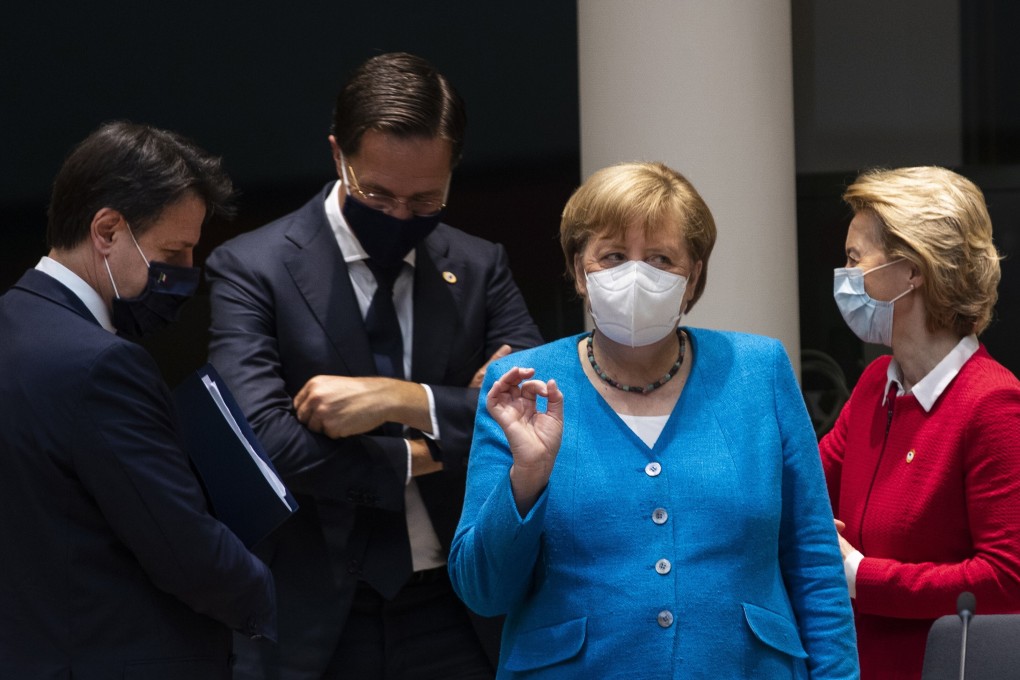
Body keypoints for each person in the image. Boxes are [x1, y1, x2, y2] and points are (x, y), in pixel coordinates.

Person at [448, 161, 859, 678]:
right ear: (579, 270)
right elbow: (483, 592)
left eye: (662, 259)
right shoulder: (523, 383)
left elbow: (815, 562)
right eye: (614, 256)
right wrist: (526, 479)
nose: (636, 275)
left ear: (693, 278)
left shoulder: (759, 371)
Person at [205, 52, 543, 679]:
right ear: (339, 154)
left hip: (459, 610)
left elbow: (536, 411)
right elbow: (262, 443)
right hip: (314, 615)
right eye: (377, 193)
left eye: (424, 200)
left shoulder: (478, 265)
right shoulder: (253, 268)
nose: (397, 216)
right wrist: (430, 449)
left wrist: (399, 399)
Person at [0, 121, 276, 679]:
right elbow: (183, 549)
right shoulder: (104, 364)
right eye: (174, 251)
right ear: (106, 230)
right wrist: (266, 589)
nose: (185, 274)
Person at [822, 166, 1020, 679]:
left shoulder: (992, 404)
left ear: (913, 270)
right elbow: (804, 489)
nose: (844, 275)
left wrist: (860, 576)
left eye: (854, 258)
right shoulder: (873, 385)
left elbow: (1007, 580)